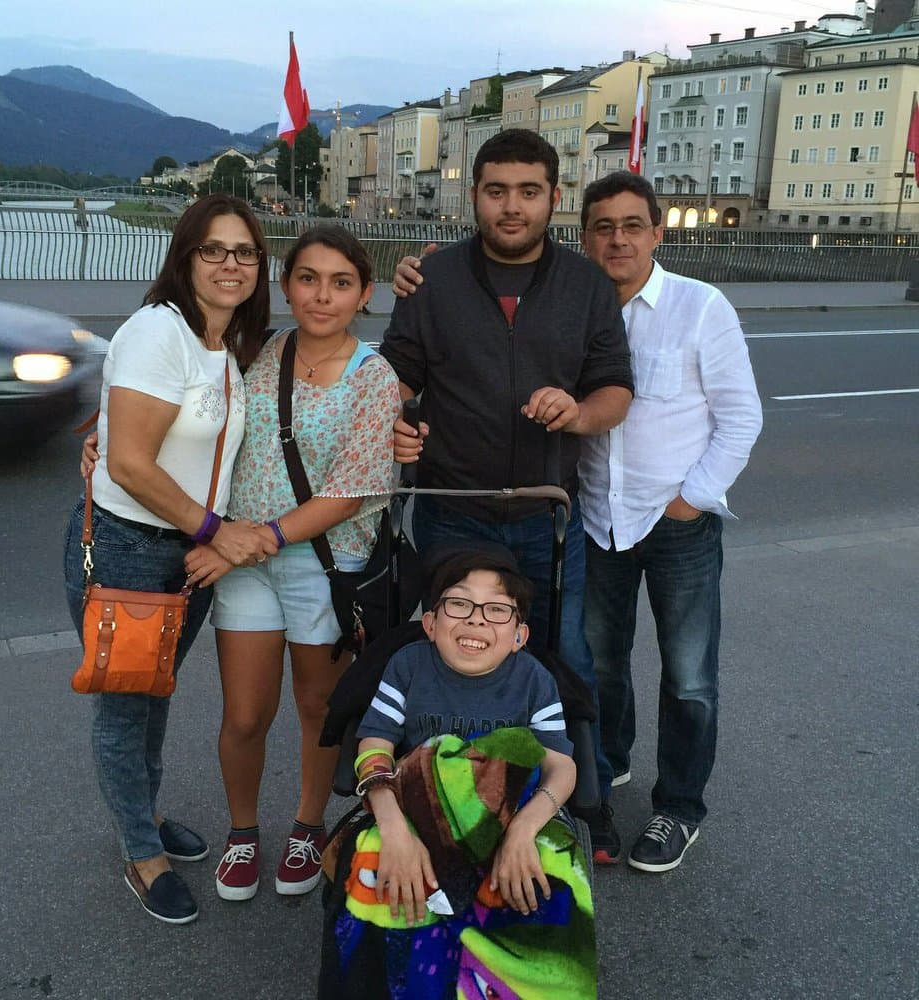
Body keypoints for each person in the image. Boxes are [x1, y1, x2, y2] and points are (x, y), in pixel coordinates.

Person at [384, 128, 634, 864]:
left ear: (553, 198)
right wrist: (389, 416)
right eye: (497, 191)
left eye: (529, 191)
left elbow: (615, 386)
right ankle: (444, 800)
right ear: (475, 196)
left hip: (548, 519)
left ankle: (586, 804)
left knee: (566, 663)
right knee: (451, 657)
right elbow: (397, 374)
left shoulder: (587, 285)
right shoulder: (432, 279)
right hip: (451, 511)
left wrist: (579, 413)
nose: (512, 206)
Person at [62, 194, 275, 924]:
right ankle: (139, 851)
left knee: (154, 695)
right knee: (126, 708)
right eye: (213, 250)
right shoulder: (162, 331)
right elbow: (127, 462)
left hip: (181, 553)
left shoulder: (223, 343)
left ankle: (140, 816)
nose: (230, 264)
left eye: (244, 252)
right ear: (184, 257)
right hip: (130, 546)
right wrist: (216, 528)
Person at [182, 226, 401, 903]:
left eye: (341, 283)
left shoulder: (375, 377)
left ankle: (308, 825)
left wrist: (250, 539)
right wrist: (111, 439)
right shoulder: (259, 351)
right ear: (286, 286)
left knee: (317, 709)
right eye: (308, 278)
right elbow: (193, 416)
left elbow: (347, 494)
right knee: (245, 714)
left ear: (365, 294)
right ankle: (243, 830)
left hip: (326, 567)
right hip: (243, 562)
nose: (322, 295)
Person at [578, 171, 763, 872]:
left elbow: (741, 416)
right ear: (586, 236)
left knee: (688, 676)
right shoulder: (575, 308)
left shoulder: (699, 306)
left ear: (658, 232)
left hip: (677, 522)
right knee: (598, 661)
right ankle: (610, 763)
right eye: (603, 226)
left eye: (632, 225)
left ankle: (679, 807)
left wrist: (692, 498)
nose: (618, 238)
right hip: (598, 520)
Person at [318, 548, 594, 998]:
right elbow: (374, 746)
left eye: (497, 610)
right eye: (459, 603)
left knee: (552, 873)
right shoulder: (408, 666)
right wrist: (395, 830)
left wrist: (522, 831)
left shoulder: (533, 679)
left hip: (512, 811)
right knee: (368, 860)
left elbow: (560, 765)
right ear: (431, 623)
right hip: (416, 805)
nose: (477, 620)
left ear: (519, 634)